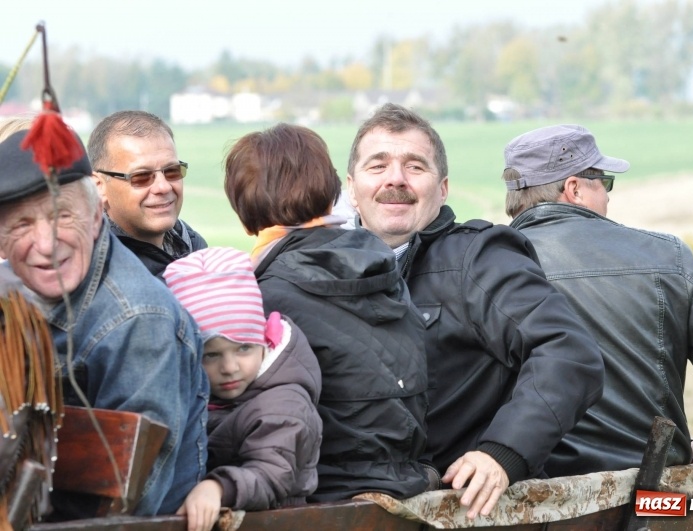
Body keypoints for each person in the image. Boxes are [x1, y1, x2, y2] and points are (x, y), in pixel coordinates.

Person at [346, 103, 604, 519]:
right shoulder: (323, 272)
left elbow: (567, 351)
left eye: (415, 166)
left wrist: (503, 453)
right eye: (378, 166)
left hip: (460, 512)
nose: (395, 178)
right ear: (351, 187)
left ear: (443, 188)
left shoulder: (478, 258)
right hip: (345, 510)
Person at [502, 124, 693, 476]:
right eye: (605, 182)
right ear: (574, 189)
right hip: (651, 498)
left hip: (529, 497)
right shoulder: (667, 256)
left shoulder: (484, 267)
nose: (609, 196)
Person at [0, 129, 209, 518]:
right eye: (23, 225)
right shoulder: (9, 290)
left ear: (97, 214)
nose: (46, 244)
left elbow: (128, 504)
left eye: (62, 216)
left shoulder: (140, 319)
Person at [224, 123, 431, 502]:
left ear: (243, 205)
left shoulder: (266, 293)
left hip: (322, 494)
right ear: (331, 188)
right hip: (404, 477)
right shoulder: (380, 264)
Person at [164, 247, 322, 531]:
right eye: (210, 355)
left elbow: (272, 474)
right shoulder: (200, 392)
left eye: (244, 348)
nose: (229, 367)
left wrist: (218, 487)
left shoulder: (282, 404)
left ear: (262, 339)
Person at [86, 110, 207, 278]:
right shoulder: (96, 272)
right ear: (99, 186)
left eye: (172, 171)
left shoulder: (193, 246)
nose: (163, 187)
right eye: (141, 177)